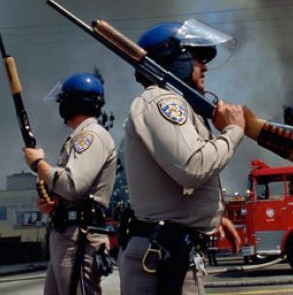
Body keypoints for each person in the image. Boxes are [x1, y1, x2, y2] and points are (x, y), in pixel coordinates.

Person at [119, 19, 244, 294]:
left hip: (170, 251)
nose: (205, 66)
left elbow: (175, 184)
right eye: (197, 58)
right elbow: (192, 167)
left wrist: (211, 216)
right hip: (164, 256)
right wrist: (234, 131)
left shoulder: (176, 105)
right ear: (173, 59)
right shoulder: (164, 101)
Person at [22, 72, 117, 295]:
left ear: (73, 103)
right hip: (69, 233)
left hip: (79, 237)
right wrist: (54, 200)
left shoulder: (90, 136)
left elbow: (73, 186)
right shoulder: (79, 136)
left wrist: (38, 164)